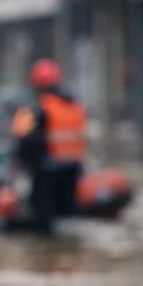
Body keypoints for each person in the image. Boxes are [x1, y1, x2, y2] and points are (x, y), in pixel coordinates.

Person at [11, 59, 86, 235]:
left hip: (46, 166)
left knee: (43, 215)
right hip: (72, 164)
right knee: (67, 211)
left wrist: (21, 158)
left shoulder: (40, 107)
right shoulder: (74, 105)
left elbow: (28, 138)